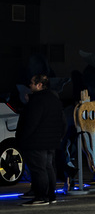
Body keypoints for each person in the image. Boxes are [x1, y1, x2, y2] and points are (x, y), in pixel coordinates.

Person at [17, 75, 66, 206]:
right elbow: (62, 121)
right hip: (51, 141)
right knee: (48, 167)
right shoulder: (54, 99)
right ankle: (51, 195)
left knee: (39, 169)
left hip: (37, 141)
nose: (30, 85)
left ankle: (41, 196)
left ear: (39, 85)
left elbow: (31, 123)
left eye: (32, 83)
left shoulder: (37, 100)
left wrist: (22, 139)